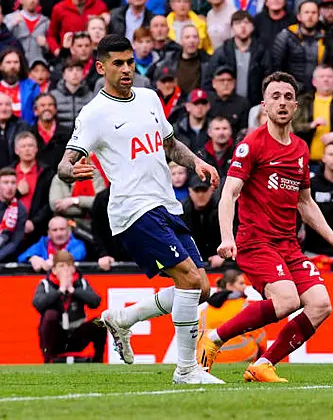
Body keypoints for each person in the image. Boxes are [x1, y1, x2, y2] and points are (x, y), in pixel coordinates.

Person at [57, 35, 222, 384]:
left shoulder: (149, 98)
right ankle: (186, 370)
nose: (127, 69)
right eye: (118, 63)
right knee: (190, 280)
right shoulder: (95, 113)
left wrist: (197, 164)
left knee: (200, 287)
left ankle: (123, 318)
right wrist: (73, 170)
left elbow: (171, 145)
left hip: (166, 204)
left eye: (130, 62)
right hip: (132, 210)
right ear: (101, 67)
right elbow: (64, 164)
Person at [199, 71, 333, 383]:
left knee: (320, 305)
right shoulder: (252, 144)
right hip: (256, 241)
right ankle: (213, 339)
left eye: (288, 97)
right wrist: (227, 237)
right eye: (275, 97)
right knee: (287, 300)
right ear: (264, 105)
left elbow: (306, 203)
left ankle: (263, 364)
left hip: (288, 246)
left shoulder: (300, 149)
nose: (282, 102)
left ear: (296, 105)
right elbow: (229, 192)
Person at [32, 250, 105, 363]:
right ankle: (48, 360)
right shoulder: (45, 284)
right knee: (50, 315)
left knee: (100, 322)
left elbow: (95, 302)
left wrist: (73, 290)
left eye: (68, 266)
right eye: (61, 266)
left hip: (77, 335)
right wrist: (60, 291)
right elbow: (38, 304)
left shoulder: (81, 283)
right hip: (56, 337)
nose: (65, 270)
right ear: (54, 270)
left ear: (73, 269)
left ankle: (98, 359)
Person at [198, 269, 267, 364]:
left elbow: (200, 338)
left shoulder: (205, 310)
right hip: (244, 356)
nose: (245, 286)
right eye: (241, 283)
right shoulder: (244, 306)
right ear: (229, 286)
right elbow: (261, 338)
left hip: (213, 359)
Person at [293, 65, 333, 163]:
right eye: (322, 76)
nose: (326, 79)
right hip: (306, 160)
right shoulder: (303, 101)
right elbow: (293, 126)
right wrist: (311, 125)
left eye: (329, 76)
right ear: (314, 82)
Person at [18, 215, 84, 270]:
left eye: (62, 229)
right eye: (55, 230)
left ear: (69, 231)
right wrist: (32, 258)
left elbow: (77, 255)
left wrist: (54, 262)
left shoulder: (78, 245)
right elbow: (21, 257)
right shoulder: (43, 243)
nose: (59, 234)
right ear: (49, 233)